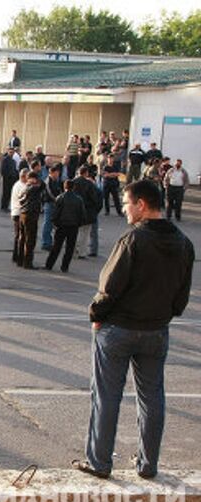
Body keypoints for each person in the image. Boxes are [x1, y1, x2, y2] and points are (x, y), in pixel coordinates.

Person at [74, 181, 194, 480]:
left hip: (118, 329)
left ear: (142, 204)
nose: (124, 209)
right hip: (156, 330)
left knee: (106, 395)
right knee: (152, 397)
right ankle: (147, 464)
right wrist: (162, 315)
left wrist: (96, 315)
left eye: (127, 203)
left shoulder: (133, 240)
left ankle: (99, 462)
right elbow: (181, 298)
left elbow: (109, 286)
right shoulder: (183, 243)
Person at [45, 180, 85, 273]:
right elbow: (82, 214)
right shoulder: (79, 199)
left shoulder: (60, 197)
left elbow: (56, 213)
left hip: (61, 225)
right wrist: (78, 223)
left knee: (56, 246)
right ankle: (65, 266)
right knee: (70, 248)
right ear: (73, 187)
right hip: (73, 226)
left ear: (64, 187)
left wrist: (55, 223)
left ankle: (49, 264)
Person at [18, 171, 43, 269]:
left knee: (23, 238)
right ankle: (28, 263)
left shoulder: (24, 187)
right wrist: (35, 180)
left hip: (23, 214)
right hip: (31, 215)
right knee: (30, 239)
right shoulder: (33, 188)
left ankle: (20, 260)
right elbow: (43, 185)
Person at [40, 163, 63, 251]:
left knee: (53, 224)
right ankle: (46, 243)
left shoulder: (56, 181)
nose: (58, 175)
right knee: (48, 224)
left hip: (54, 204)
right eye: (57, 173)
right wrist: (58, 200)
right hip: (49, 204)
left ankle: (50, 242)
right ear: (52, 173)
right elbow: (50, 194)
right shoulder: (48, 181)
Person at [11, 169, 28, 265]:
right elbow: (22, 200)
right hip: (18, 212)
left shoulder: (18, 184)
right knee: (19, 235)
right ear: (23, 176)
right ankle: (17, 255)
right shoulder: (21, 186)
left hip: (16, 211)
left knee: (18, 235)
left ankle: (16, 255)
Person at [0, 147, 19, 212]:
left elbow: (15, 170)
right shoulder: (5, 160)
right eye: (10, 152)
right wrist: (6, 176)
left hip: (12, 179)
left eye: (12, 152)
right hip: (7, 179)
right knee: (5, 192)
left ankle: (6, 205)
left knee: (10, 193)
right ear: (8, 152)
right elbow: (2, 170)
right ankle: (3, 206)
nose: (11, 153)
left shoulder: (13, 161)